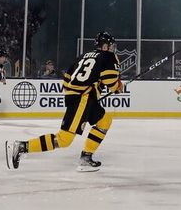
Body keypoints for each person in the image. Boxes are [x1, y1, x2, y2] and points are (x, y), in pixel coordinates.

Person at [6, 32, 121, 172]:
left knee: (104, 120)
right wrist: (117, 87)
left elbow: (67, 78)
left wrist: (78, 92)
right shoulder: (108, 57)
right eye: (110, 45)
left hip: (84, 98)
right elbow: (110, 80)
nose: (112, 48)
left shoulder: (83, 56)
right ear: (104, 46)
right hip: (83, 99)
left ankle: (86, 157)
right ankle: (22, 146)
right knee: (64, 139)